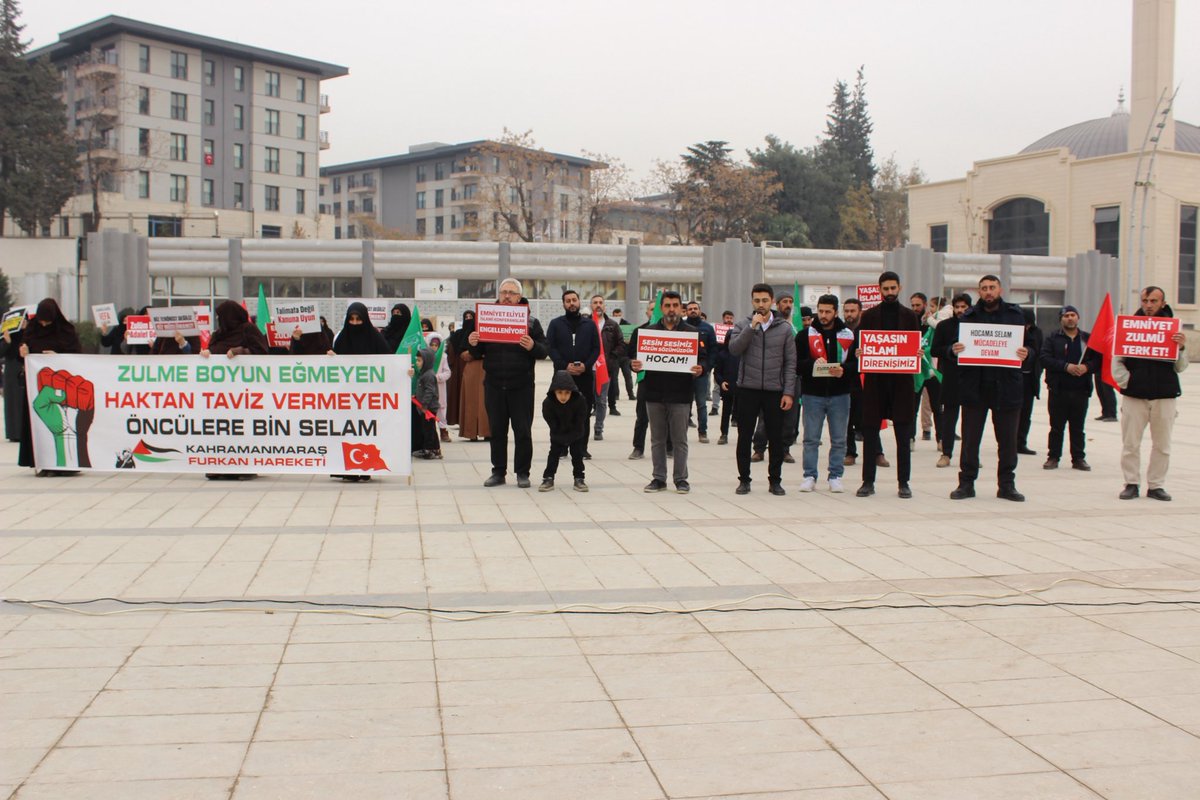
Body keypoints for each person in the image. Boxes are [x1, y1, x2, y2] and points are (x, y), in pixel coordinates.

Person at [951, 275, 1029, 502]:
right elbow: (950, 346)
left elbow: (1032, 347)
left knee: (1007, 442)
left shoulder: (1015, 315)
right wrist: (954, 349)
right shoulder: (969, 317)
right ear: (979, 292)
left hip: (1006, 388)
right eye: (984, 288)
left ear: (1000, 290)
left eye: (992, 288)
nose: (988, 292)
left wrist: (1028, 354)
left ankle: (1006, 485)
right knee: (970, 440)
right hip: (975, 388)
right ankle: (966, 483)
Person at [468, 278, 548, 488]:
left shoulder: (531, 322)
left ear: (519, 297)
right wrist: (473, 342)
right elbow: (477, 353)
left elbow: (544, 350)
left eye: (512, 293)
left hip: (521, 385)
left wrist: (533, 346)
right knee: (497, 430)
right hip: (494, 383)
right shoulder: (486, 318)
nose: (507, 296)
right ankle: (498, 471)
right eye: (503, 292)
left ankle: (522, 472)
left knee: (522, 431)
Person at [1113, 286, 1189, 501]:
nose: (1148, 305)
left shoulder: (1173, 330)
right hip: (1134, 396)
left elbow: (1180, 368)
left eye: (1153, 301)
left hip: (1165, 396)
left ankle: (1156, 485)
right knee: (1130, 444)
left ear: (1162, 303)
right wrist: (1129, 383)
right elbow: (1117, 361)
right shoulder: (1129, 327)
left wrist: (1181, 348)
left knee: (1162, 445)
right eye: (1145, 300)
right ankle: (1131, 483)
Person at [629, 291, 703, 493]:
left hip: (681, 394)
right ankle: (658, 478)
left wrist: (701, 368)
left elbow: (704, 358)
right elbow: (632, 359)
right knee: (657, 439)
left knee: (680, 440)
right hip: (654, 393)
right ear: (661, 308)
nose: (671, 309)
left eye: (675, 305)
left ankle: (681, 479)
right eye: (667, 305)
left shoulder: (691, 333)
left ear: (681, 308)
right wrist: (633, 365)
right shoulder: (648, 332)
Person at [727, 283, 797, 496]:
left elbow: (790, 362)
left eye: (764, 300)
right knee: (744, 435)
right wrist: (752, 328)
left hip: (774, 390)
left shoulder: (784, 328)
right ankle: (744, 480)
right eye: (757, 300)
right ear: (752, 301)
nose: (761, 304)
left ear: (772, 301)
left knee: (775, 436)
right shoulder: (742, 325)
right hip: (748, 388)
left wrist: (788, 392)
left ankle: (775, 480)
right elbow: (734, 349)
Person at [857, 272, 921, 499]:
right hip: (875, 383)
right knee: (871, 433)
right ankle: (867, 481)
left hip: (902, 383)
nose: (890, 292)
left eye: (893, 288)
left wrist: (917, 353)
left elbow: (915, 343)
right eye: (886, 289)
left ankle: (904, 482)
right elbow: (860, 342)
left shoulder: (910, 316)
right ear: (879, 290)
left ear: (900, 288)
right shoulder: (869, 316)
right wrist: (860, 352)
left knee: (903, 434)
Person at [14, 299, 84, 475]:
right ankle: (42, 462)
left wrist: (57, 357)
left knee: (61, 426)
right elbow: (22, 349)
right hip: (36, 387)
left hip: (60, 388)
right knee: (37, 424)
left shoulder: (66, 332)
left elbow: (77, 356)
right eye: (41, 321)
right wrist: (23, 352)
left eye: (47, 321)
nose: (44, 324)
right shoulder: (32, 330)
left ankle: (63, 464)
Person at [797, 294, 857, 493]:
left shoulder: (848, 334)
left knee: (839, 439)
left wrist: (844, 370)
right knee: (811, 438)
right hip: (812, 394)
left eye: (827, 312)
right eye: (820, 311)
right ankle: (809, 475)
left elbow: (857, 364)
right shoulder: (805, 335)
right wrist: (812, 364)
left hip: (840, 394)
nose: (823, 315)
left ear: (835, 312)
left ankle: (835, 475)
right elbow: (796, 364)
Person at [331, 302, 392, 480]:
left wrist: (405, 371)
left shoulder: (375, 338)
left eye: (359, 319)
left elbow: (388, 362)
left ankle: (365, 466)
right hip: (347, 397)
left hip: (368, 397)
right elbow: (336, 364)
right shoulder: (342, 338)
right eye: (352, 319)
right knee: (348, 430)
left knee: (366, 431)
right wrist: (332, 359)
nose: (356, 323)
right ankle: (348, 468)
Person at [1040, 305, 1100, 471]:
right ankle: (1053, 457)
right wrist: (1066, 366)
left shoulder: (1087, 339)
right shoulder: (1052, 338)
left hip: (1081, 390)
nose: (1070, 318)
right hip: (1058, 390)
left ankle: (1078, 458)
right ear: (1061, 319)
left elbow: (1098, 360)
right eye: (1066, 316)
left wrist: (1087, 367)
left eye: (1073, 315)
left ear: (1078, 318)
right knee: (1056, 427)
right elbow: (1044, 358)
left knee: (1078, 427)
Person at [547, 290, 600, 453]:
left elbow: (596, 348)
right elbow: (551, 347)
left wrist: (586, 365)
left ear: (579, 302)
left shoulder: (589, 325)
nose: (571, 303)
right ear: (563, 304)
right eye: (568, 301)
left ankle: (582, 448)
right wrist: (564, 365)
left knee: (583, 412)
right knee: (560, 412)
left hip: (584, 375)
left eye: (574, 300)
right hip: (562, 377)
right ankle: (561, 447)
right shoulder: (556, 324)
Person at [931, 293, 971, 468]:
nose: (960, 310)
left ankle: (970, 455)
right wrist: (950, 350)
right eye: (957, 307)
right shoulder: (944, 326)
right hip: (951, 377)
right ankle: (946, 453)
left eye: (964, 307)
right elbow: (935, 350)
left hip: (972, 378)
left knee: (971, 419)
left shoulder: (977, 325)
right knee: (949, 417)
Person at [539, 370, 589, 492]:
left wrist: (574, 431)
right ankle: (548, 477)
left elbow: (582, 417)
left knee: (577, 455)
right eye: (559, 392)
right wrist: (557, 430)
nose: (563, 396)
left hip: (576, 432)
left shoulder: (580, 400)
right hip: (557, 432)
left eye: (567, 393)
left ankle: (579, 478)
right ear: (554, 391)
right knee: (553, 454)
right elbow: (549, 418)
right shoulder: (548, 403)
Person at [591, 294, 626, 437]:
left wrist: (611, 358)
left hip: (605, 369)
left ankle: (598, 429)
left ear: (604, 306)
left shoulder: (612, 324)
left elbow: (621, 344)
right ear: (591, 305)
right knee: (586, 399)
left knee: (601, 400)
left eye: (600, 302)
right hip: (587, 369)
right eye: (595, 303)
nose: (598, 305)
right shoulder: (586, 323)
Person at [910, 292, 941, 448]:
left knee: (937, 406)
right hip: (916, 371)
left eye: (918, 305)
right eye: (913, 305)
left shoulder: (932, 322)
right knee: (913, 406)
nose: (915, 308)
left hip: (931, 370)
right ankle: (910, 438)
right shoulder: (908, 321)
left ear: (924, 305)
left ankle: (941, 439)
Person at [684, 300, 717, 443]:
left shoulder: (708, 328)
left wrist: (706, 368)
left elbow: (713, 351)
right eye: (690, 309)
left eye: (695, 308)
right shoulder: (682, 327)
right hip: (684, 372)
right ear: (686, 312)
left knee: (701, 403)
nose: (692, 311)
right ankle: (681, 431)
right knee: (684, 404)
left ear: (699, 310)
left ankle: (702, 432)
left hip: (701, 373)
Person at [455, 311, 490, 442]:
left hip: (488, 369)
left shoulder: (490, 331)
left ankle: (487, 432)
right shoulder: (467, 334)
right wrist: (476, 353)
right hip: (472, 370)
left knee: (488, 402)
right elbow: (463, 353)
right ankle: (471, 432)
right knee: (471, 402)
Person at [841, 297, 868, 466]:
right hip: (846, 382)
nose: (849, 314)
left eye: (853, 311)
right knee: (847, 420)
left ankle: (877, 452)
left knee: (869, 419)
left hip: (865, 382)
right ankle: (850, 452)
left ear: (860, 312)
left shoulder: (867, 332)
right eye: (847, 311)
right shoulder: (841, 331)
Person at [1017, 307, 1044, 455]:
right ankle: (1010, 441)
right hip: (1014, 378)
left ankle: (1021, 442)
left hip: (1030, 378)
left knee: (1026, 413)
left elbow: (1038, 352)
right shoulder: (1014, 332)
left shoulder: (1037, 333)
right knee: (1013, 413)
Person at [1, 312, 29, 442]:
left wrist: (26, 330)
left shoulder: (29, 334)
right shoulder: (6, 334)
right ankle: (13, 432)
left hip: (24, 367)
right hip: (11, 369)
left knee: (22, 400)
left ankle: (23, 431)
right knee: (12, 400)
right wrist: (7, 342)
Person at [413, 347, 443, 460]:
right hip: (426, 407)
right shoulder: (424, 374)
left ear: (427, 361)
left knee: (428, 429)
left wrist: (424, 405)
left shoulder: (429, 375)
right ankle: (435, 449)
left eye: (419, 360)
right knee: (430, 428)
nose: (417, 363)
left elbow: (430, 391)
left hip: (428, 408)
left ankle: (429, 450)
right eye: (417, 360)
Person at [446, 310, 474, 427]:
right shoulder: (457, 334)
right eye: (466, 317)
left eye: (470, 317)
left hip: (472, 368)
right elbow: (450, 353)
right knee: (457, 394)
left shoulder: (477, 334)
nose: (468, 319)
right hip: (457, 369)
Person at [713, 326, 740, 446]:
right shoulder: (722, 354)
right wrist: (721, 382)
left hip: (741, 387)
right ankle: (724, 434)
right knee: (725, 412)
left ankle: (743, 435)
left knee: (742, 413)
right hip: (727, 387)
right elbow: (717, 372)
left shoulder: (743, 354)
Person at [611, 307, 637, 401]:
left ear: (621, 315)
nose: (617, 317)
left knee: (628, 376)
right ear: (613, 315)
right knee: (614, 377)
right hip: (615, 355)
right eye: (615, 315)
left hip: (625, 356)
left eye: (619, 315)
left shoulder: (627, 325)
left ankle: (631, 394)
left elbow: (632, 337)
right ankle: (616, 395)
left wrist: (629, 340)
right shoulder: (610, 325)